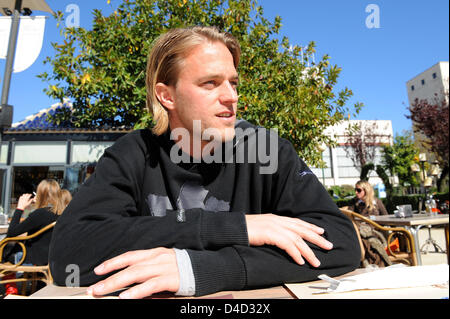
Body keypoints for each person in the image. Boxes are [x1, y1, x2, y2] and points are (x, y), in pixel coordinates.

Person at [49, 26, 360, 298]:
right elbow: (69, 253)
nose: (231, 96)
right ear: (166, 96)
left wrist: (201, 270)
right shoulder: (134, 153)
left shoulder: (266, 150)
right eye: (210, 83)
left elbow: (341, 242)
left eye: (233, 82)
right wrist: (235, 228)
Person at [2, 179, 66, 295]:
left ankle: (11, 288)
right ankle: (37, 288)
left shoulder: (40, 213)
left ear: (40, 194)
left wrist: (20, 208)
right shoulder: (62, 214)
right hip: (51, 258)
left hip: (34, 259)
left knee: (5, 250)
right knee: (10, 247)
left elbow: (12, 232)